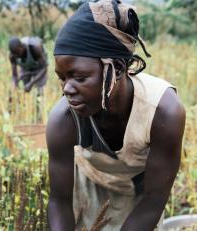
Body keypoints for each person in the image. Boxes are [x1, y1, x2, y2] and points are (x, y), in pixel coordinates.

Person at [46, 1, 186, 231]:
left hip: (142, 193)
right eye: (62, 78)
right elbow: (59, 201)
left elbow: (154, 199)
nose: (66, 89)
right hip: (89, 184)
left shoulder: (163, 112)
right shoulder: (64, 119)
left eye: (79, 78)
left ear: (118, 69)